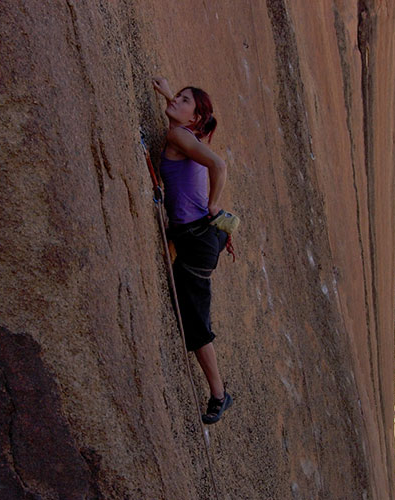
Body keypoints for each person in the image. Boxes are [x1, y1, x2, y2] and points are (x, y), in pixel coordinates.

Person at [152, 77, 232, 424]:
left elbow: (219, 166)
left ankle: (219, 394)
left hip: (197, 238)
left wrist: (214, 204)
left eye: (185, 101)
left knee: (195, 323)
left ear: (194, 120)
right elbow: (187, 120)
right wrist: (171, 97)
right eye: (179, 97)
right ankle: (218, 391)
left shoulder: (178, 136)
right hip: (201, 237)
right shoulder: (189, 135)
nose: (177, 102)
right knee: (193, 313)